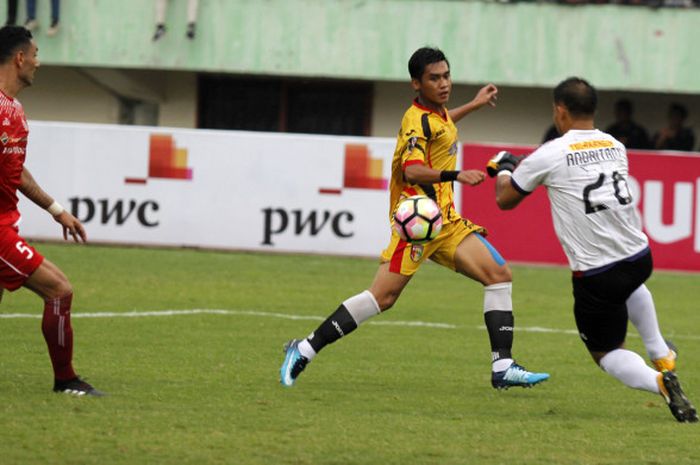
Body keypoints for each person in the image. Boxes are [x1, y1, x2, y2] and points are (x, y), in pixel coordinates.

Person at [280, 47, 550, 390]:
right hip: (417, 226)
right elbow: (412, 169)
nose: (443, 84)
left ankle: (503, 367)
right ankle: (303, 349)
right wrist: (455, 176)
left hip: (446, 222)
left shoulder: (437, 115)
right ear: (416, 84)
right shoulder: (415, 120)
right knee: (383, 298)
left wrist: (475, 104)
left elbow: (443, 126)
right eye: (434, 78)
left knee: (498, 275)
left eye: (446, 76)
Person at [487, 77, 697, 422]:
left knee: (606, 352)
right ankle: (661, 352)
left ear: (560, 110)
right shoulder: (615, 144)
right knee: (630, 285)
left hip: (597, 273)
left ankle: (660, 380)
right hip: (639, 256)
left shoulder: (552, 152)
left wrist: (505, 168)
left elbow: (505, 199)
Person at [0, 26, 103, 396]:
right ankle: (66, 380)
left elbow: (16, 173)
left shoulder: (15, 111)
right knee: (59, 289)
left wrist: (56, 209)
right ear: (19, 58)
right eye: (36, 54)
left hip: (6, 225)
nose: (39, 63)